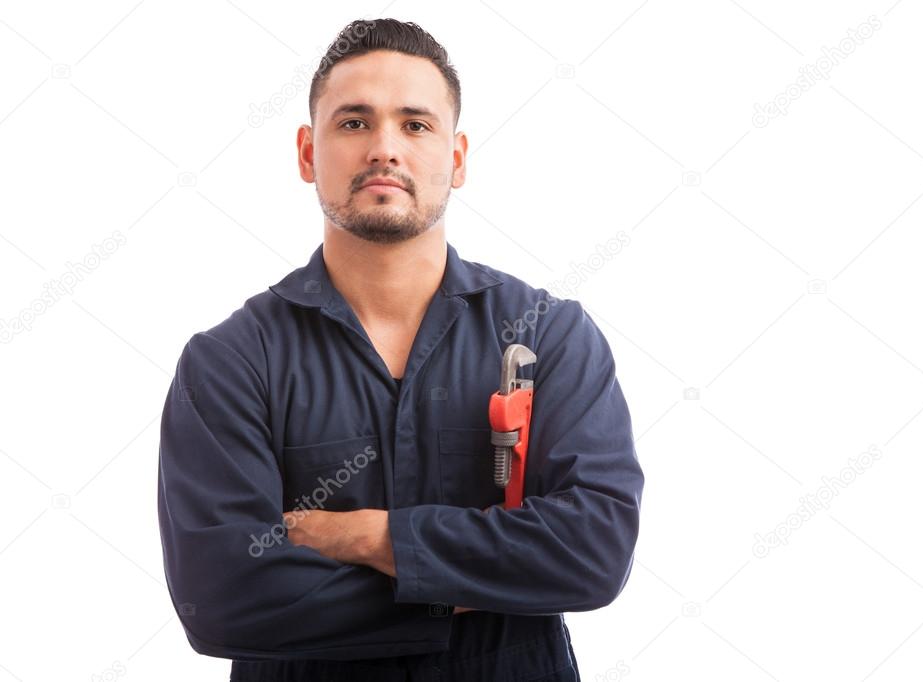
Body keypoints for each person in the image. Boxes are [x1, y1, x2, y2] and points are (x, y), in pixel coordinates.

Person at [157, 18, 644, 681]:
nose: (384, 148)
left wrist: (369, 537)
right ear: (307, 153)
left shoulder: (548, 335)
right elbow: (221, 598)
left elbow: (591, 552)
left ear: (457, 157)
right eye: (353, 123)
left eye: (415, 125)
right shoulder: (231, 362)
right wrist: (474, 587)